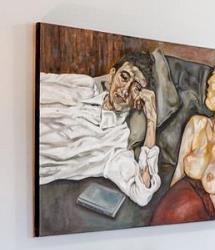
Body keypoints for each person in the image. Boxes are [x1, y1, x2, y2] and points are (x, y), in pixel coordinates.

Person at [38, 54, 161, 206]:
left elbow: (142, 193)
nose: (125, 90)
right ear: (111, 75)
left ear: (139, 100)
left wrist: (151, 121)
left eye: (136, 88)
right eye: (124, 77)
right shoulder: (85, 86)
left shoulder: (116, 144)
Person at [152, 53, 215, 223]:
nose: (208, 81)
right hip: (168, 216)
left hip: (196, 226)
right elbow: (177, 176)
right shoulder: (196, 125)